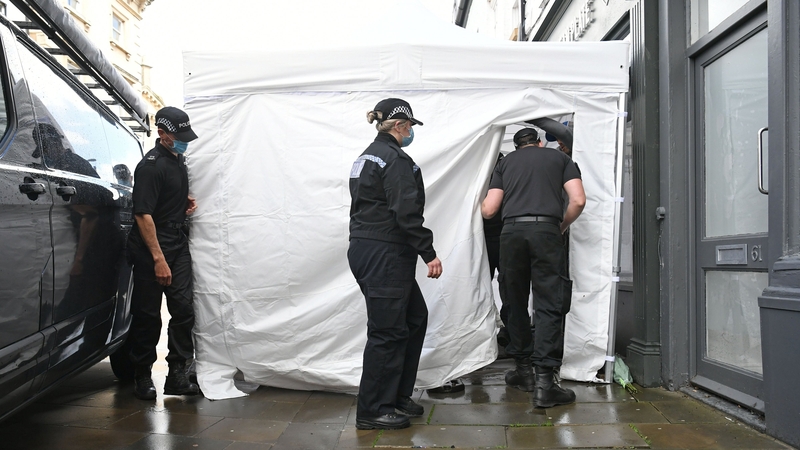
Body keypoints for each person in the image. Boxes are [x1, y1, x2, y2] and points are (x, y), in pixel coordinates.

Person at [347, 98, 443, 430]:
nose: (411, 132)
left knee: (414, 318)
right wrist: (428, 252)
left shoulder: (367, 156)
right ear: (401, 126)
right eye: (411, 126)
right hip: (384, 252)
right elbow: (405, 212)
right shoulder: (395, 160)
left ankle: (397, 396)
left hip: (368, 249)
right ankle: (373, 409)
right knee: (387, 332)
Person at [480, 127, 585, 408]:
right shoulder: (559, 159)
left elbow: (489, 210)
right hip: (547, 231)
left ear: (516, 147)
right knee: (549, 302)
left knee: (514, 300)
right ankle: (545, 383)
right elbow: (578, 200)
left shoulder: (504, 163)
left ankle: (523, 371)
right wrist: (560, 225)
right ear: (539, 143)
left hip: (511, 233)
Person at [126, 106, 200, 400]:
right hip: (150, 247)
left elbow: (163, 198)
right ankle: (142, 375)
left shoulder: (176, 159)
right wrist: (158, 259)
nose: (184, 141)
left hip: (177, 241)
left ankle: (177, 374)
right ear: (162, 134)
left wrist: (183, 201)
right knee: (148, 315)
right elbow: (143, 215)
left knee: (183, 309)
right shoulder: (151, 166)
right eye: (178, 136)